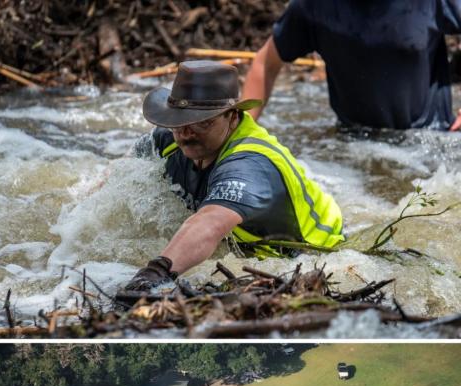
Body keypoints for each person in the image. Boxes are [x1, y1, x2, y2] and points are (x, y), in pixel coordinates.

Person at [124, 60, 344, 291]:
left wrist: (155, 273)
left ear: (232, 116)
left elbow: (210, 223)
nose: (186, 133)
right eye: (179, 120)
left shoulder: (250, 164)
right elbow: (121, 172)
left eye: (202, 123)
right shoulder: (167, 137)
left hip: (311, 256)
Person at [243, 0, 461, 130]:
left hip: (430, 139)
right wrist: (238, 138)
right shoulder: (315, 6)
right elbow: (265, 64)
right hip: (353, 141)